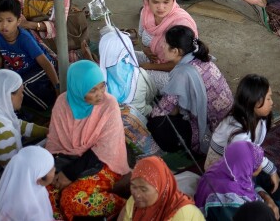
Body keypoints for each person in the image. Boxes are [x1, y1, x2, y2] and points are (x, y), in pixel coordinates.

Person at [45, 60, 130, 220]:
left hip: (104, 164)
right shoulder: (62, 103)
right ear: (78, 88)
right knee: (44, 191)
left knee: (71, 198)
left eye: (102, 86)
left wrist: (69, 174)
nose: (100, 94)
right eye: (93, 90)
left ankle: (126, 206)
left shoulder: (109, 105)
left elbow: (105, 151)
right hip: (67, 159)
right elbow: (55, 142)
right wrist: (53, 169)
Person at [148, 26, 232, 154]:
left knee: (156, 123)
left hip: (210, 134)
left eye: (165, 43)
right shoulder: (201, 57)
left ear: (175, 51)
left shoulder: (183, 73)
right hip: (228, 123)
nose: (161, 46)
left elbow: (162, 110)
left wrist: (147, 116)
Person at [196, 142, 280, 220]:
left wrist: (268, 199)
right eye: (256, 165)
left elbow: (251, 184)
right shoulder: (227, 203)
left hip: (256, 210)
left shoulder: (227, 168)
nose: (260, 167)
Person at [0, 0, 59, 111]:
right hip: (19, 72)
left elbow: (45, 62)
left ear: (18, 21)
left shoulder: (24, 38)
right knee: (4, 91)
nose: (4, 25)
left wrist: (57, 87)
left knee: (22, 88)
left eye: (9, 21)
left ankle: (51, 105)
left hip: (40, 68)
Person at [97, 28, 160, 158]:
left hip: (110, 129)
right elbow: (151, 95)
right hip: (140, 121)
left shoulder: (97, 81)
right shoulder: (140, 74)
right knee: (150, 106)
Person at [138, 0, 197, 86]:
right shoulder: (146, 14)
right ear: (147, 0)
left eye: (166, 2)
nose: (161, 8)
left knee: (136, 75)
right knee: (124, 57)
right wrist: (146, 50)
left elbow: (180, 62)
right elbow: (142, 38)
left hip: (179, 73)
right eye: (155, 2)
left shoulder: (181, 23)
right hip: (155, 60)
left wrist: (149, 66)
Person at [119, 156, 204, 221]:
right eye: (133, 186)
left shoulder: (183, 215)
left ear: (161, 189)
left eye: (143, 189)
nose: (136, 194)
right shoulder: (135, 202)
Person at [0, 146, 55, 221]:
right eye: (51, 169)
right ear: (39, 179)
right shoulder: (27, 209)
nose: (54, 170)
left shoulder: (26, 185)